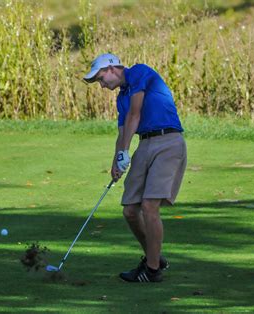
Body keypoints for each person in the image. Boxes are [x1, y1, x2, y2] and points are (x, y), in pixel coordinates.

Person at [83, 53, 187, 283]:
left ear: (111, 68)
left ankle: (151, 270)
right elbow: (122, 132)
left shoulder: (139, 71)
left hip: (168, 142)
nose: (101, 85)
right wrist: (116, 160)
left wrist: (124, 152)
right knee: (130, 210)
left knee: (150, 206)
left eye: (100, 78)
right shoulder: (120, 98)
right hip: (145, 144)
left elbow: (135, 114)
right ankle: (156, 258)